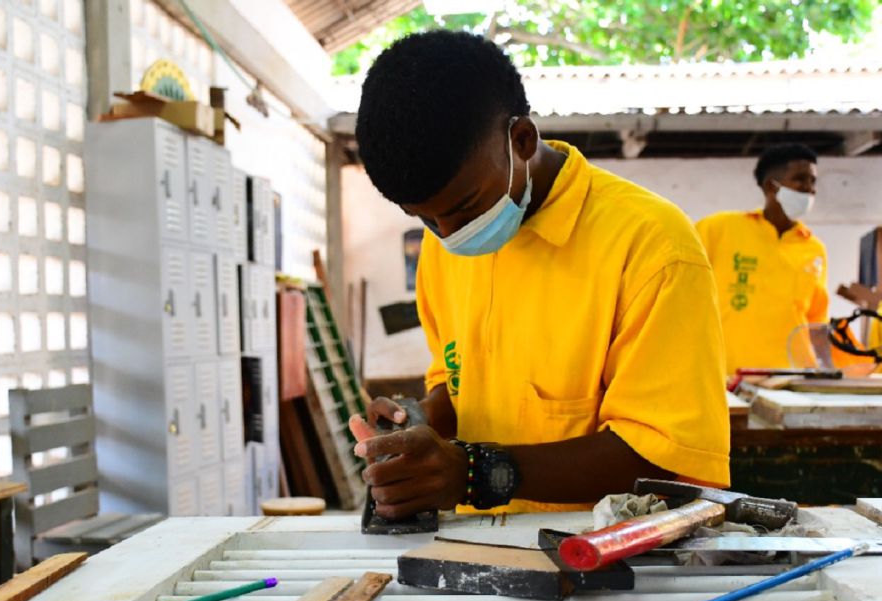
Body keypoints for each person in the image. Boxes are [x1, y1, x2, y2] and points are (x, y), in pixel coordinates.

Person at [347, 31, 729, 520]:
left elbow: (665, 460)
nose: (450, 235)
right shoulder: (443, 246)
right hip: (476, 551)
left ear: (522, 140)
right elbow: (460, 386)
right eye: (424, 218)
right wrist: (417, 421)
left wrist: (472, 473)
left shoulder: (652, 245)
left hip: (605, 567)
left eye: (464, 208)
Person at [695, 143, 828, 374]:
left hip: (794, 375)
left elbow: (816, 319)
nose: (809, 189)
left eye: (813, 181)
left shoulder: (814, 248)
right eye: (800, 179)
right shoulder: (718, 229)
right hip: (729, 375)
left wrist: (828, 370)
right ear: (771, 186)